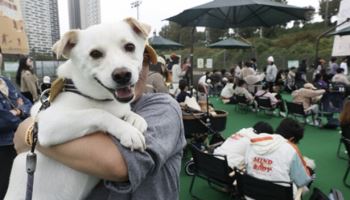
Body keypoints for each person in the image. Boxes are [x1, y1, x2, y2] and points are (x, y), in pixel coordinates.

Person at [13, 51, 186, 200]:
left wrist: (32, 135)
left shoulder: (163, 106)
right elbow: (24, 136)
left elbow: (118, 164)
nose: (123, 70)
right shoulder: (89, 103)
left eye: (138, 57)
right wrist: (35, 133)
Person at [245, 118, 312, 190]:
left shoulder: (254, 142)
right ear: (291, 139)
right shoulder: (291, 150)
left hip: (250, 193)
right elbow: (302, 181)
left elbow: (247, 166)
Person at [0, 76, 32, 199]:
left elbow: (28, 104)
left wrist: (18, 111)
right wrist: (21, 114)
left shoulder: (5, 81)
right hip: (3, 145)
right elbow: (3, 120)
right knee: (3, 187)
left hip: (16, 143)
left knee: (17, 185)